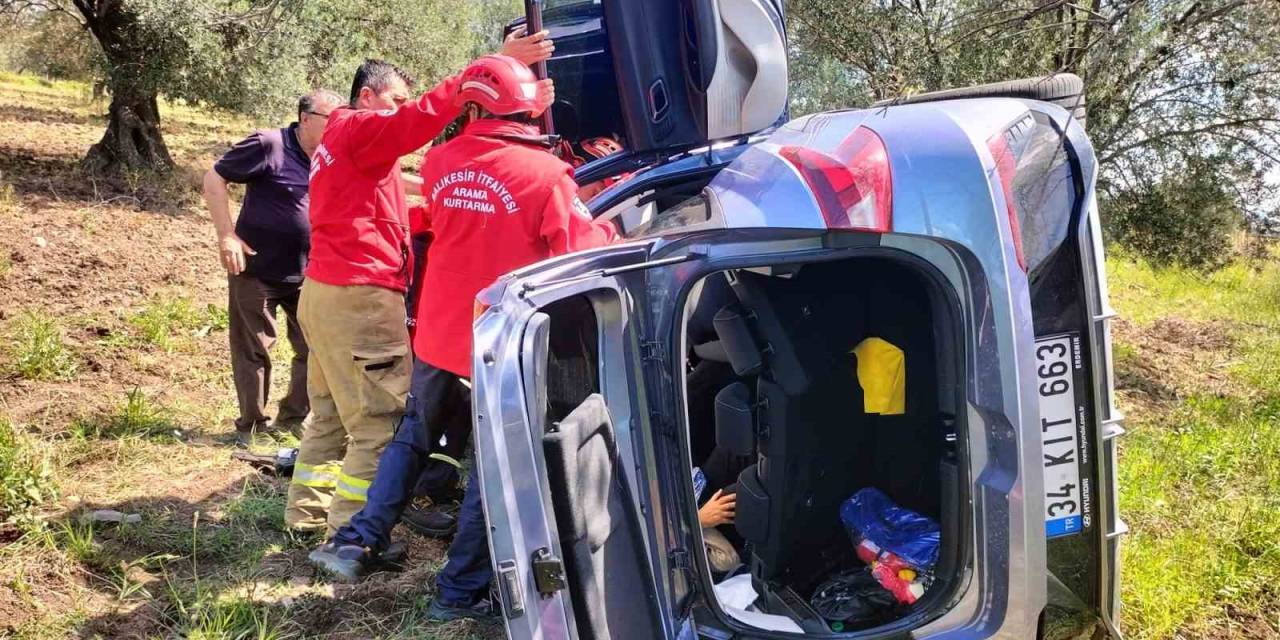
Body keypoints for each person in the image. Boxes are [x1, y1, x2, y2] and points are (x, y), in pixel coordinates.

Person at [308, 56, 620, 620]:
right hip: (497, 343)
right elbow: (579, 250)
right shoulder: (547, 175)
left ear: (474, 107)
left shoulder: (442, 158)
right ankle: (458, 591)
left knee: (412, 433)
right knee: (491, 466)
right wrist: (611, 227)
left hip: (439, 330)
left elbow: (449, 216)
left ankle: (358, 539)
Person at [285, 33, 556, 537]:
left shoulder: (346, 146)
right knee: (379, 424)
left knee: (326, 415)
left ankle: (305, 515)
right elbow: (420, 118)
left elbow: (382, 213)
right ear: (367, 98)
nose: (403, 110)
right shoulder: (360, 130)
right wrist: (490, 70)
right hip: (359, 298)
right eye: (395, 100)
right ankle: (353, 533)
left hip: (322, 292)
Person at [202, 89, 342, 449]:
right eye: (333, 118)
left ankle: (293, 419)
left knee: (314, 349)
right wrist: (227, 236)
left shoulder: (333, 155)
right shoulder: (269, 144)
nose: (340, 125)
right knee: (253, 349)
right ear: (306, 118)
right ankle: (251, 425)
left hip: (310, 273)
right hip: (257, 269)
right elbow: (214, 178)